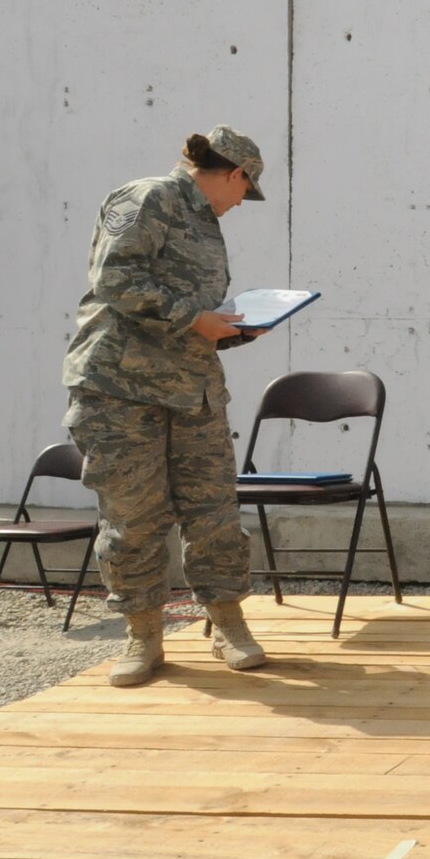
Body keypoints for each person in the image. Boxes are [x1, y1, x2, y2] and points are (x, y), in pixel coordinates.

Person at [61, 126, 271, 687]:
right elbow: (114, 277)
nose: (238, 206)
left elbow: (187, 306)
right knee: (133, 518)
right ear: (235, 174)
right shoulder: (147, 197)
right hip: (121, 391)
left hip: (192, 389)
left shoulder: (204, 221)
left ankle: (229, 623)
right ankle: (143, 634)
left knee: (214, 514)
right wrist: (192, 317)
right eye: (243, 193)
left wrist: (226, 329)